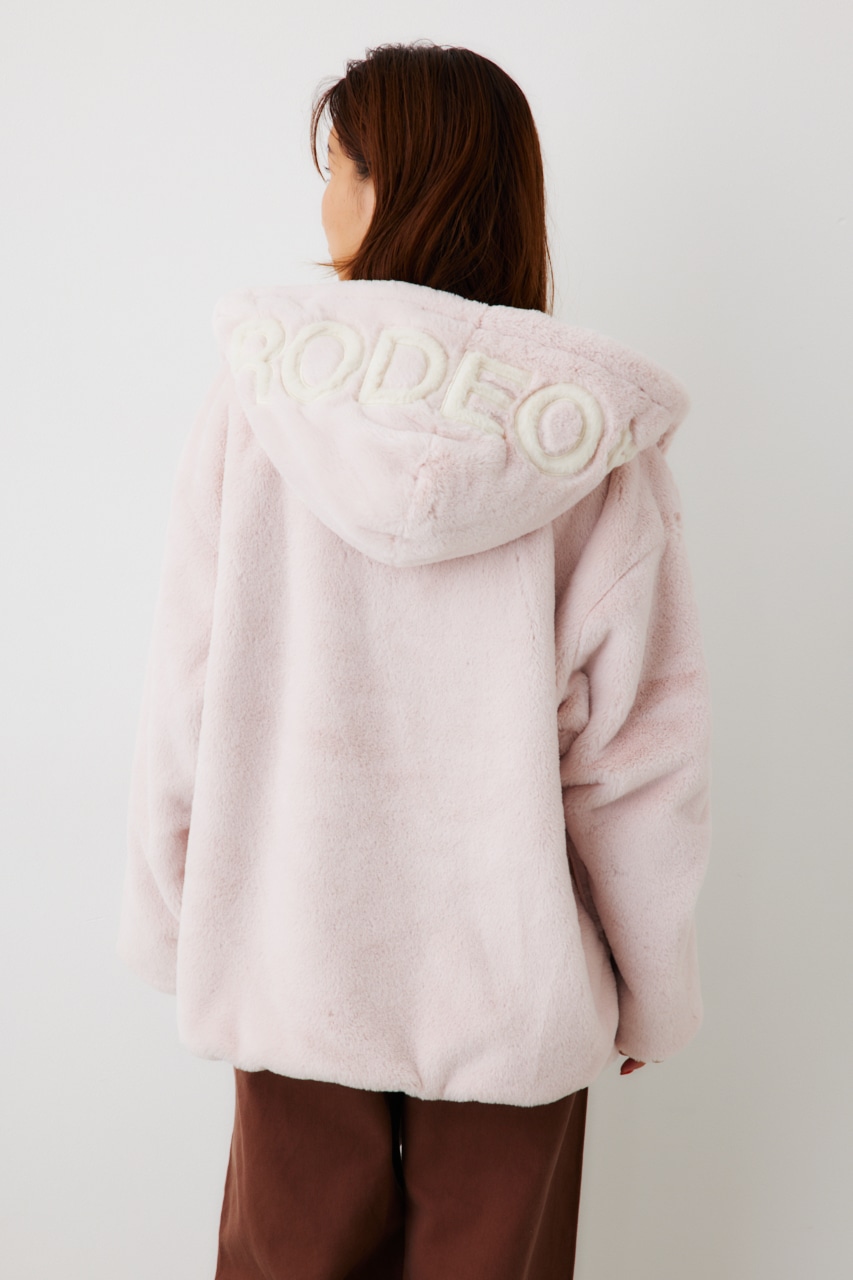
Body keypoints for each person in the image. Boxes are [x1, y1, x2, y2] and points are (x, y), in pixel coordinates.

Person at [116, 40, 712, 1279]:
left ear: (395, 187)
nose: (322, 204)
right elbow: (634, 758)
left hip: (291, 952)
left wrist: (180, 918)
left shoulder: (259, 401)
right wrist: (650, 987)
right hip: (515, 978)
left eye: (336, 169)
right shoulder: (589, 444)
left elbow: (189, 690)